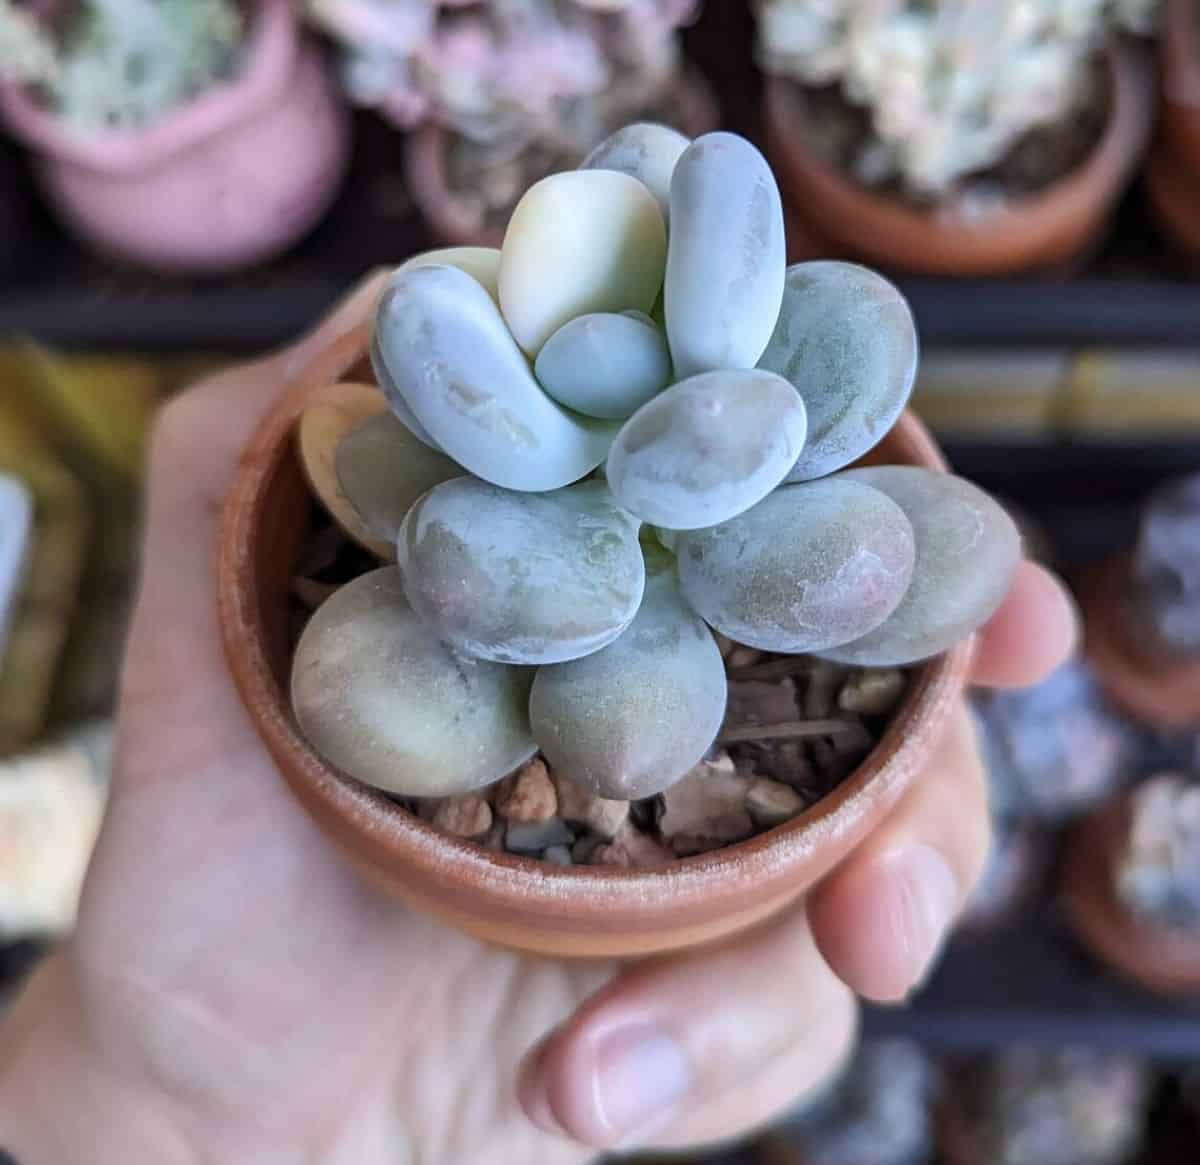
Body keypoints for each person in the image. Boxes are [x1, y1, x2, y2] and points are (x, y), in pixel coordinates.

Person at [0, 275, 1077, 1163]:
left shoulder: (766, 444)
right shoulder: (480, 521)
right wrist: (176, 1121)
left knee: (948, 574)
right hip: (520, 583)